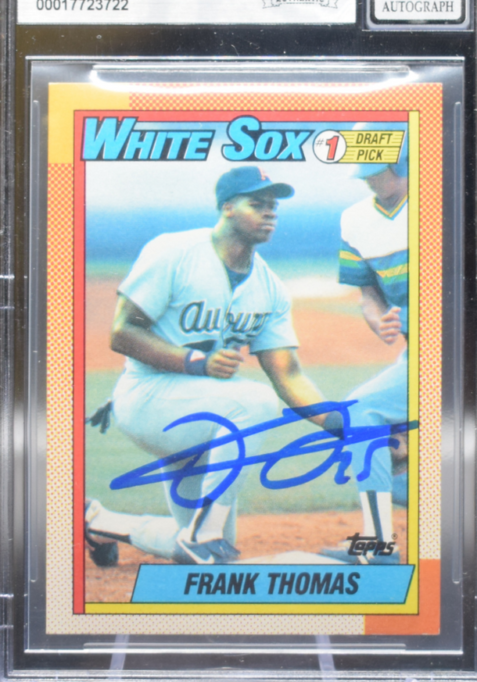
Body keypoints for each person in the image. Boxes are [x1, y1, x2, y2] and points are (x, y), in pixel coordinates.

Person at [86, 165, 328, 566]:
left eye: (273, 206)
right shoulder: (174, 252)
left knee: (212, 557)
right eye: (257, 203)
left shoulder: (269, 288)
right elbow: (123, 332)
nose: (269, 212)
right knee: (254, 401)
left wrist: (343, 424)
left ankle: (100, 522)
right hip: (148, 397)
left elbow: (288, 374)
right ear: (227, 207)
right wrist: (197, 362)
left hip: (202, 417)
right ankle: (203, 533)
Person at [322, 147, 408, 565]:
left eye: (378, 171)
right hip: (420, 357)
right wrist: (378, 320)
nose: (370, 179)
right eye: (365, 172)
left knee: (361, 411)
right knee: (367, 427)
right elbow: (368, 294)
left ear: (403, 163)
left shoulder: (445, 206)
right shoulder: (355, 220)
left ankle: (378, 546)